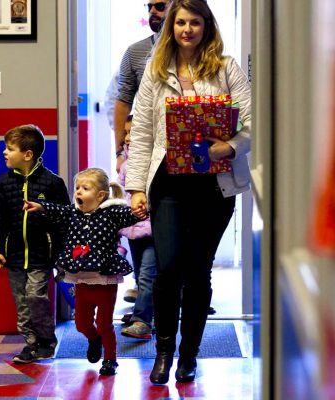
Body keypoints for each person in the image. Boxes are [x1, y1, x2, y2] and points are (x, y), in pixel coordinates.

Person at [125, 0, 251, 384]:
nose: (187, 29)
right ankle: (163, 352)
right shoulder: (155, 69)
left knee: (198, 272)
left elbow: (252, 122)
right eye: (181, 22)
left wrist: (227, 147)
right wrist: (134, 188)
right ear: (171, 26)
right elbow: (144, 130)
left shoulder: (227, 67)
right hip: (168, 185)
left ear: (206, 25)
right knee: (168, 268)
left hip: (215, 186)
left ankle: (189, 356)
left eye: (195, 22)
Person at [23, 167, 147, 376]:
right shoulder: (74, 212)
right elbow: (58, 210)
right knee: (81, 323)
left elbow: (130, 215)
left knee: (104, 324)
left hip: (104, 278)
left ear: (100, 195)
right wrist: (41, 206)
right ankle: (93, 339)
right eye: (77, 188)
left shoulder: (111, 212)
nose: (78, 192)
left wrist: (139, 210)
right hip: (81, 279)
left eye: (85, 188)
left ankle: (110, 359)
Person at [0, 124, 70, 364]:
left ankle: (46, 341)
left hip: (40, 256)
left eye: (9, 148)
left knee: (35, 297)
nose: (4, 152)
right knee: (22, 305)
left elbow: (64, 219)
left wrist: (62, 255)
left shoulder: (52, 183)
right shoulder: (3, 183)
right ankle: (31, 345)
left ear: (28, 154)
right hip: (13, 256)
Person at [111, 0, 172, 173]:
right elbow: (123, 102)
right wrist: (119, 153)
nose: (152, 11)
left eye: (159, 6)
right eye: (149, 7)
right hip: (146, 148)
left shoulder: (190, 50)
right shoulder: (134, 52)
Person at [118, 115, 157, 340]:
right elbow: (123, 193)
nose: (129, 138)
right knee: (141, 272)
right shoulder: (126, 165)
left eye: (135, 133)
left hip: (152, 227)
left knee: (148, 275)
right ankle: (144, 312)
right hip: (134, 227)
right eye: (127, 133)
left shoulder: (154, 163)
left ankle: (142, 320)